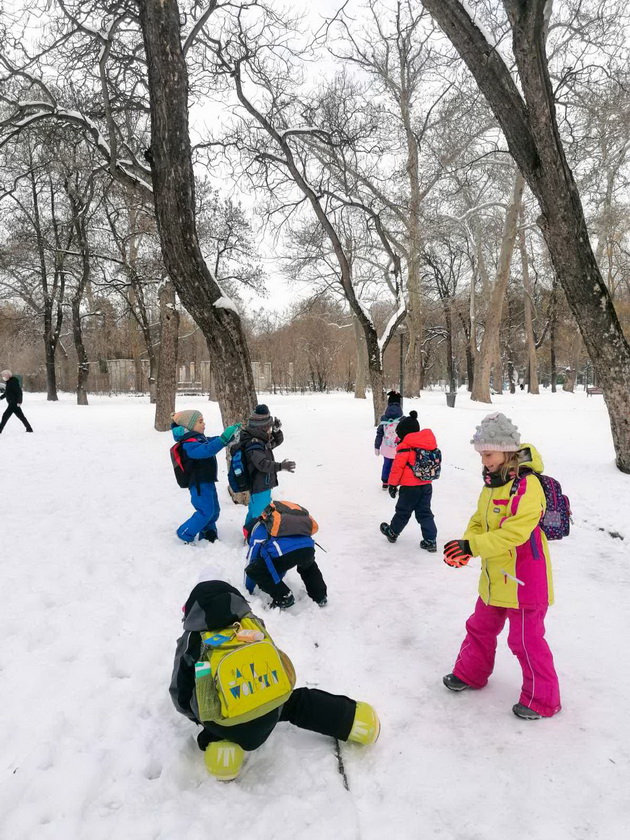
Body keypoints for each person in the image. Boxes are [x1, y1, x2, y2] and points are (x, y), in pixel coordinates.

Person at [170, 578, 380, 780]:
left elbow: (180, 694)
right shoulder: (250, 623)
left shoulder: (192, 639)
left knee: (216, 714)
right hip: (273, 708)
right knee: (300, 703)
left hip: (225, 721)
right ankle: (355, 720)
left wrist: (201, 717)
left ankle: (224, 755)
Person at [441, 412, 561, 721]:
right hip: (495, 575)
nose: (484, 461)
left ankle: (542, 699)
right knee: (480, 626)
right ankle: (470, 673)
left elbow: (515, 533)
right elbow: (479, 520)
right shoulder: (492, 483)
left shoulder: (527, 485)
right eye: (481, 455)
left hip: (524, 578)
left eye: (489, 454)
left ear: (507, 450)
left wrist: (475, 546)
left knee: (525, 639)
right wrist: (466, 545)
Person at [171, 410, 239, 544]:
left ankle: (208, 531)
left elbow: (210, 442)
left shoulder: (198, 438)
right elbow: (206, 450)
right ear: (189, 426)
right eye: (200, 422)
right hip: (198, 484)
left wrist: (226, 437)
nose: (204, 424)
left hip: (207, 481)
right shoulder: (188, 444)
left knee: (214, 510)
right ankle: (184, 532)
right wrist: (223, 440)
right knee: (205, 511)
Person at [245, 506, 327, 609]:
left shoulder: (258, 530)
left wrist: (247, 590)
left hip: (287, 554)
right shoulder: (281, 522)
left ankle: (284, 597)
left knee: (254, 570)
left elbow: (251, 561)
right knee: (308, 567)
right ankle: (320, 596)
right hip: (308, 548)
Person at [379, 410, 438, 552]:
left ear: (404, 433)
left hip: (409, 488)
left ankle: (392, 532)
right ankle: (430, 540)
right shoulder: (427, 444)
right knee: (425, 513)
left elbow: (396, 468)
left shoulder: (405, 447)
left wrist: (392, 485)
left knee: (402, 512)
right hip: (426, 485)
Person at [238, 405, 295, 532]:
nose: (270, 430)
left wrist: (276, 431)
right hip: (259, 484)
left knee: (255, 509)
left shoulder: (260, 440)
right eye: (269, 427)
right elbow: (262, 464)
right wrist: (281, 466)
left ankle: (247, 531)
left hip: (263, 483)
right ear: (263, 427)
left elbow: (275, 442)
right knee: (259, 513)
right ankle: (253, 535)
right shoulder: (255, 444)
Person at [374, 391, 403, 489]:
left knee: (386, 464)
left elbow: (379, 434)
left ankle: (385, 482)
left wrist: (377, 446)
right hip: (398, 449)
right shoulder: (402, 420)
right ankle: (394, 482)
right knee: (397, 466)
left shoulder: (384, 420)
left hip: (386, 448)